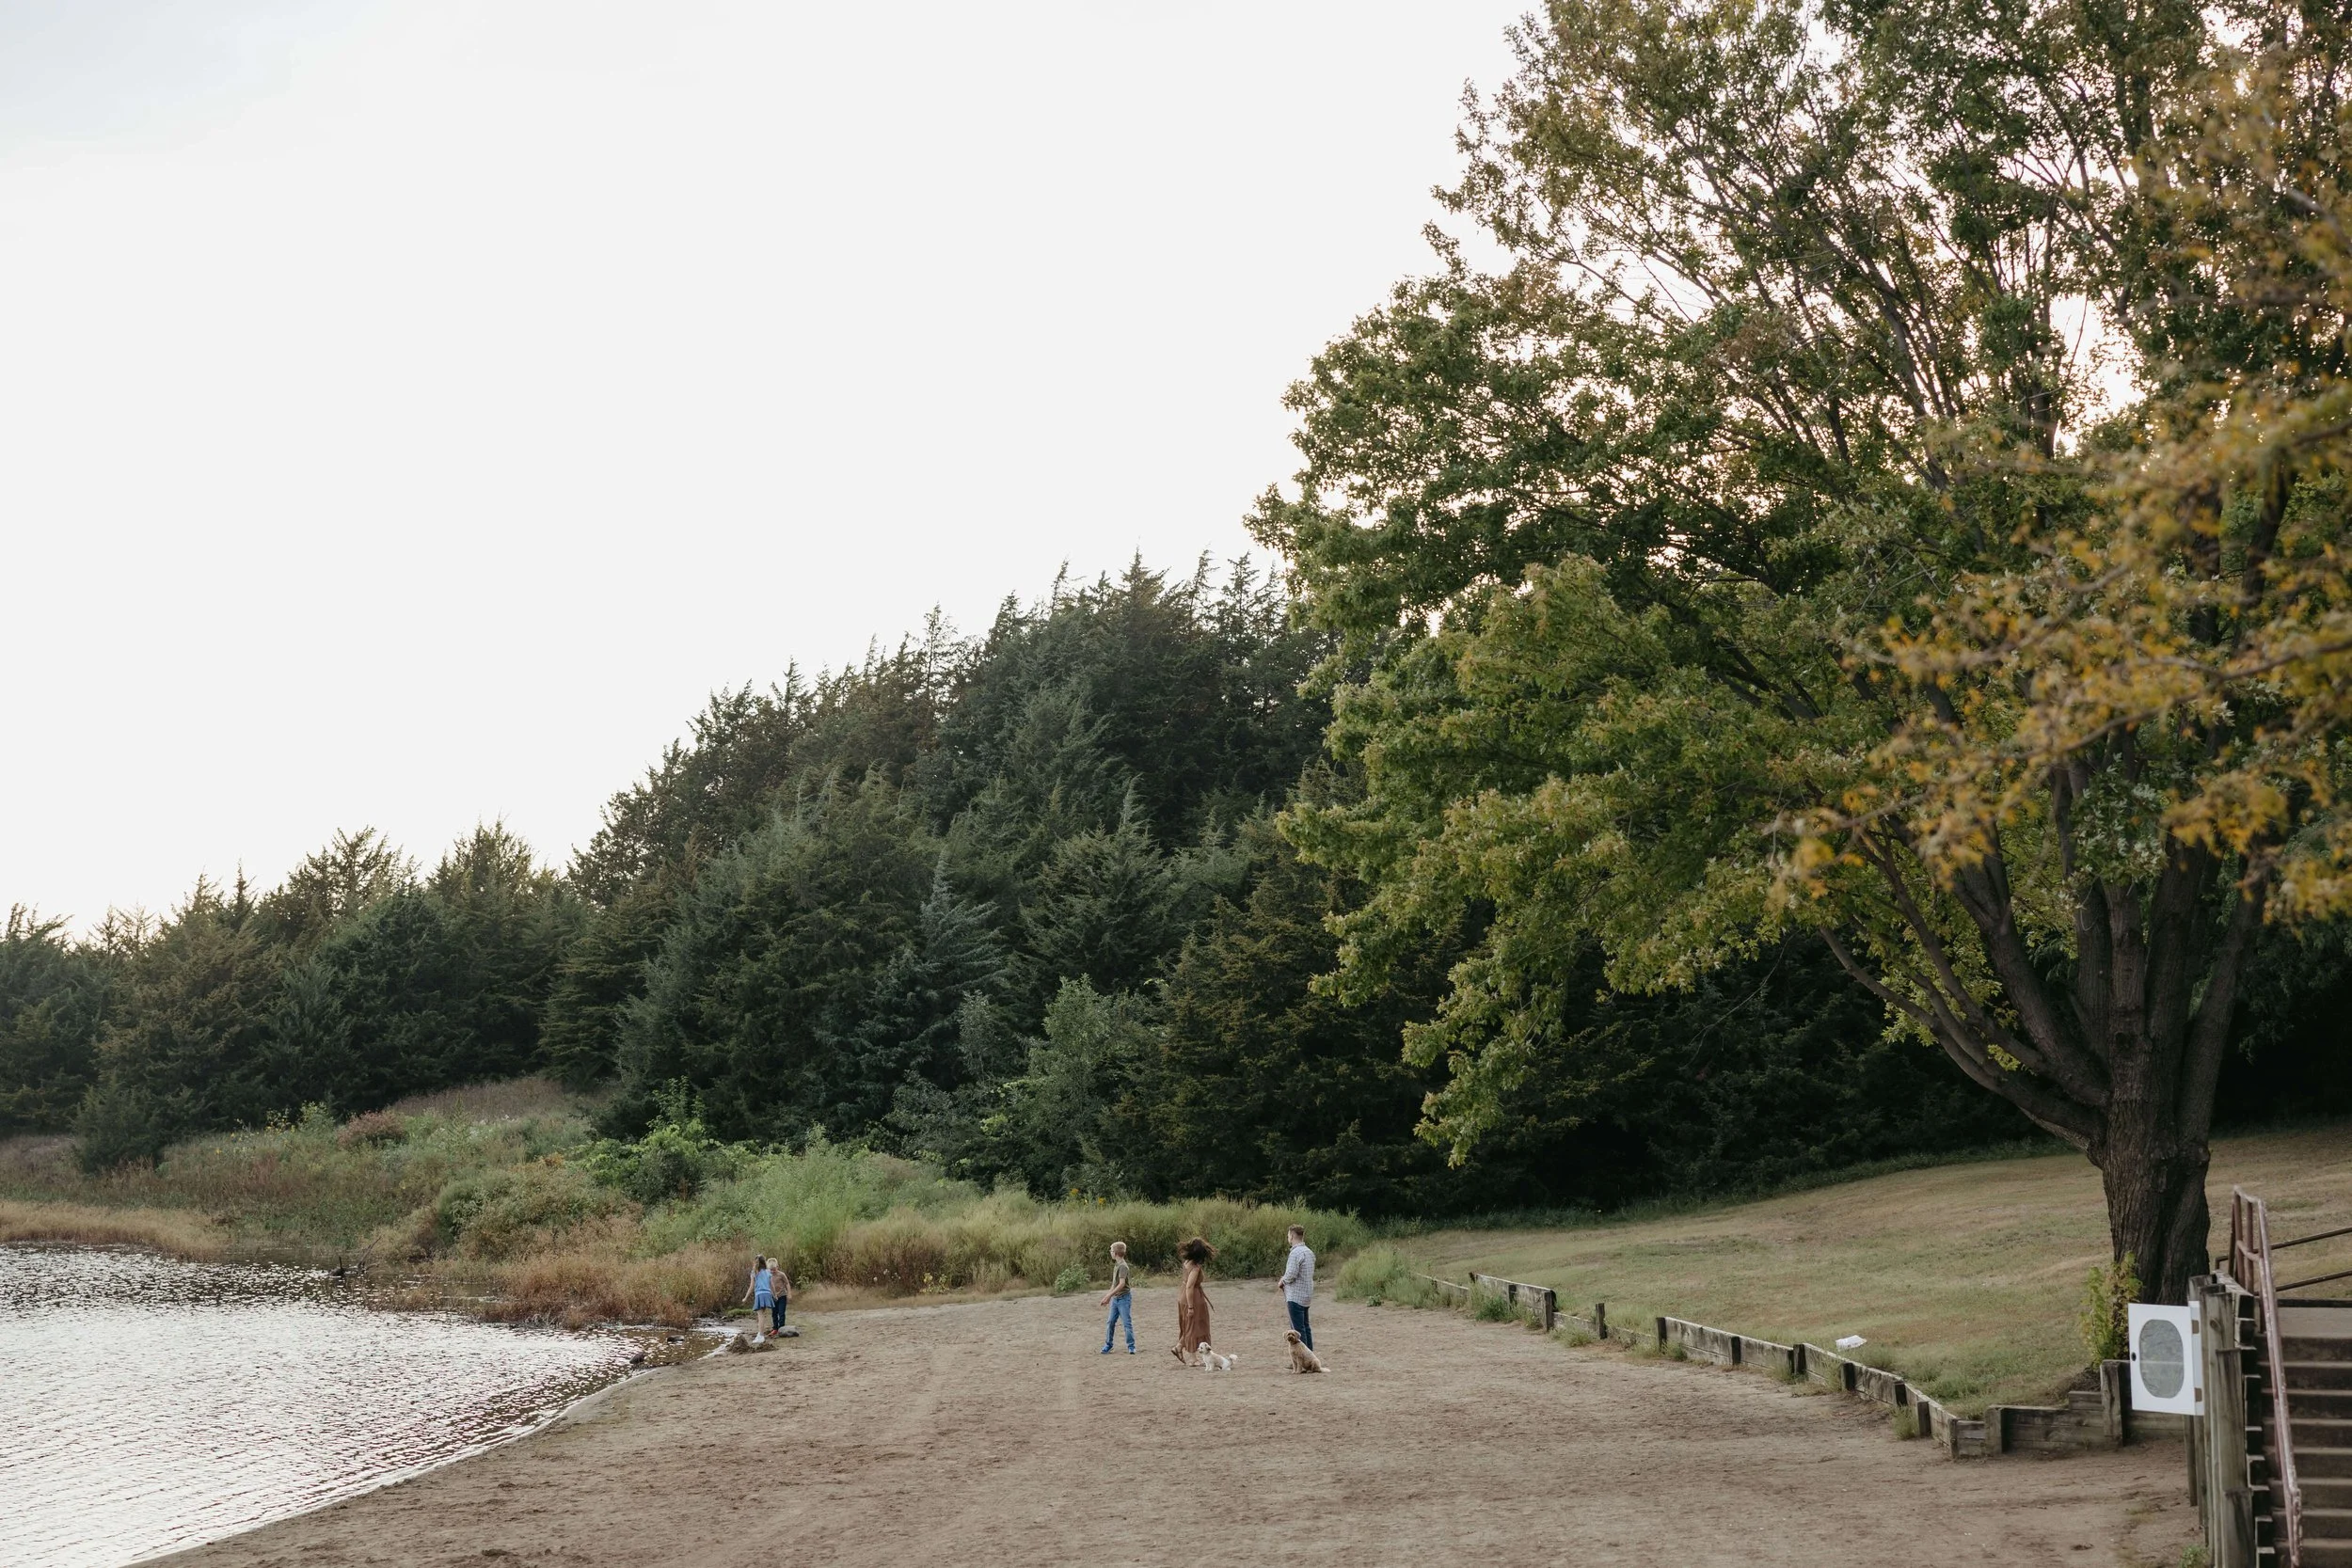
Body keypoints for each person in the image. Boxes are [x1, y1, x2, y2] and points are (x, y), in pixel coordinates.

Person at [1172, 1236, 1215, 1364]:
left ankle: (1179, 1346)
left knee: (1189, 1326)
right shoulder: (1195, 1268)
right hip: (1193, 1299)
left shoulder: (1186, 1263)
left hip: (1183, 1296)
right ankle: (1192, 1359)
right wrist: (1191, 1307)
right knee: (1193, 1327)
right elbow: (1190, 1286)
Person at [1277, 1225, 1314, 1351]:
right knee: (1305, 1327)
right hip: (1306, 1295)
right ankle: (1310, 1355)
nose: (1288, 1238)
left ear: (1292, 1236)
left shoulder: (1295, 1253)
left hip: (1295, 1296)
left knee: (1298, 1329)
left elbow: (1291, 1274)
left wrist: (1282, 1280)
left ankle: (1303, 1358)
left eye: (1288, 1236)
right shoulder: (1309, 1252)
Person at [1098, 1241, 1136, 1354]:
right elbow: (1114, 1284)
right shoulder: (1117, 1265)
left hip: (1124, 1298)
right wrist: (1107, 1297)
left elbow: (1122, 1284)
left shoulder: (1123, 1266)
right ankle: (1108, 1344)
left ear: (1116, 1253)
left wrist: (1109, 1296)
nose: (1110, 1252)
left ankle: (1131, 1346)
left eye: (1111, 1250)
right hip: (1116, 1299)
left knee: (1126, 1323)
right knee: (1110, 1322)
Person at [740, 1255, 774, 1341]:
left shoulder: (754, 1272)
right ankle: (760, 1334)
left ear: (756, 1263)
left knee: (761, 1316)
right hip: (767, 1294)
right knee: (762, 1315)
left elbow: (751, 1287)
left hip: (760, 1294)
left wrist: (745, 1297)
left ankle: (761, 1336)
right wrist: (775, 1295)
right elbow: (772, 1285)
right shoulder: (768, 1272)